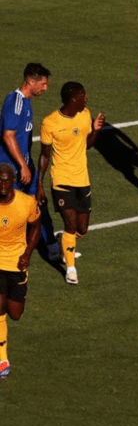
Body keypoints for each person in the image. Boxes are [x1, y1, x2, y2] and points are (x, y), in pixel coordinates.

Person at [36, 82, 105, 285]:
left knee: (81, 229)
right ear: (73, 99)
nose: (86, 99)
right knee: (70, 224)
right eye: (83, 96)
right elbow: (44, 155)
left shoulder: (85, 114)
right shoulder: (50, 122)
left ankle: (65, 241)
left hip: (82, 179)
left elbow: (87, 145)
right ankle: (71, 269)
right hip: (61, 180)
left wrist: (96, 130)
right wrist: (40, 184)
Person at [0, 63, 61, 260]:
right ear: (31, 81)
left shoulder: (26, 102)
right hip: (11, 170)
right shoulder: (15, 101)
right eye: (43, 84)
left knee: (38, 203)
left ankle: (52, 246)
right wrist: (22, 166)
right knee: (9, 210)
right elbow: (8, 135)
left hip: (25, 166)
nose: (46, 88)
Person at [0, 163, 42, 380]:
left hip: (17, 265)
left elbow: (36, 226)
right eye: (0, 180)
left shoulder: (26, 203)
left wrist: (27, 254)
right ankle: (2, 359)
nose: (3, 184)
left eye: (6, 180)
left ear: (13, 181)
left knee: (15, 314)